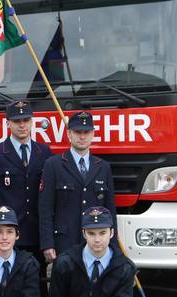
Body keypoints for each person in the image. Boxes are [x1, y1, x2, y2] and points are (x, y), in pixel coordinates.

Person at [0, 101, 53, 297]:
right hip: (8, 231)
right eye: (17, 121)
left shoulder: (44, 152)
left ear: (32, 122)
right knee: (8, 282)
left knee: (36, 281)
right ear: (8, 123)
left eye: (26, 120)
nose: (22, 125)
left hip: (35, 230)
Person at [38, 111, 117, 262]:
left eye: (86, 132)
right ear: (69, 134)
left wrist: (113, 244)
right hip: (64, 242)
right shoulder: (53, 165)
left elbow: (110, 209)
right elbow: (45, 208)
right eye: (77, 132)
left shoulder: (103, 167)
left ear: (93, 134)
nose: (82, 137)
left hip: (95, 244)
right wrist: (47, 244)